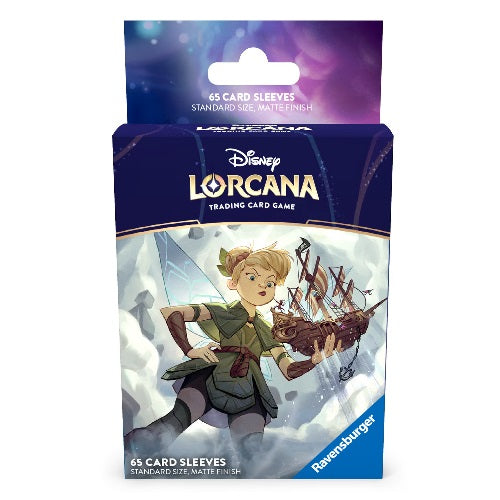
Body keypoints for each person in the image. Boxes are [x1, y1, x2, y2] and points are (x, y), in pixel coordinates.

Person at [125, 242, 342, 459]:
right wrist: (190, 350)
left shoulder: (268, 330)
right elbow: (172, 313)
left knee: (252, 452)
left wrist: (314, 360)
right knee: (167, 428)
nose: (263, 286)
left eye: (270, 282)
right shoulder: (223, 311)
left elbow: (288, 370)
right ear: (233, 283)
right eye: (252, 277)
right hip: (210, 375)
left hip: (250, 389)